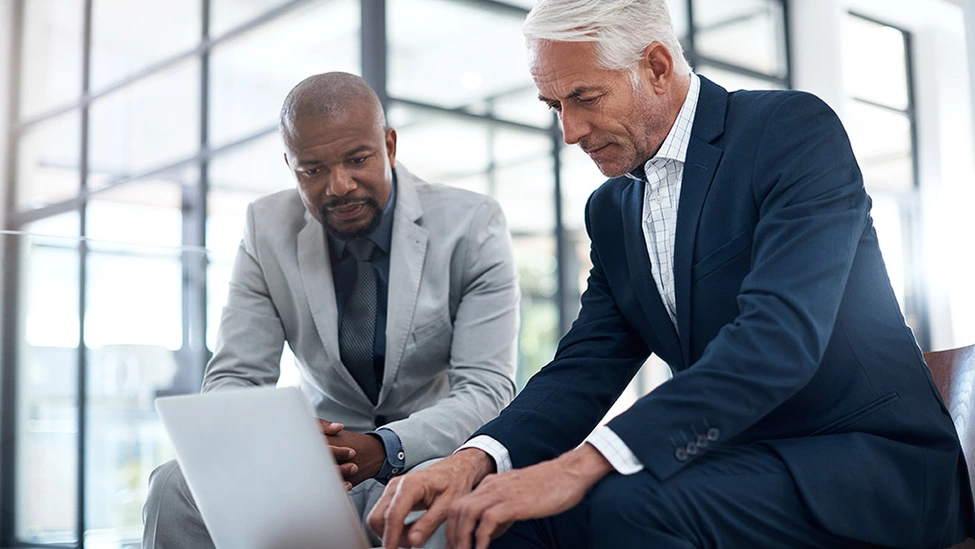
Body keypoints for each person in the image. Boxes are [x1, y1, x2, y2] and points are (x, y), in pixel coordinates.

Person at [367, 1, 975, 548]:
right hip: (736, 464)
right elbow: (585, 367)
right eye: (554, 106)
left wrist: (581, 464)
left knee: (627, 507)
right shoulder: (610, 211)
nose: (569, 132)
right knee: (497, 517)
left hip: (869, 466)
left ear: (656, 66)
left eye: (585, 97)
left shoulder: (790, 133)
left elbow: (776, 339)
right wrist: (475, 459)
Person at [141, 72, 520, 549]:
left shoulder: (473, 224)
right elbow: (235, 377)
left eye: (358, 159)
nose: (338, 186)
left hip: (427, 451)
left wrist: (383, 447)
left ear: (390, 145)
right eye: (312, 170)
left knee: (446, 504)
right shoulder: (266, 227)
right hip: (314, 462)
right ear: (290, 165)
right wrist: (279, 443)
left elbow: (486, 390)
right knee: (172, 487)